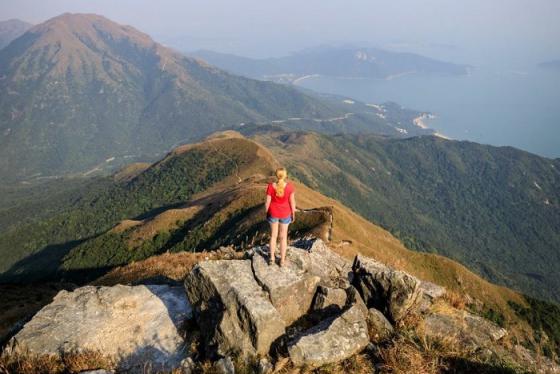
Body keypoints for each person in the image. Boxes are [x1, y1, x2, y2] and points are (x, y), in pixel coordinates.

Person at [264, 167, 296, 267]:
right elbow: (292, 202)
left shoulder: (270, 186)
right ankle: (282, 261)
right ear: (285, 176)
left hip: (273, 213)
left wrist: (267, 213)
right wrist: (293, 214)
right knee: (283, 238)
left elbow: (267, 203)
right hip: (285, 214)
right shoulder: (290, 187)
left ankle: (272, 259)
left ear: (276, 175)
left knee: (273, 236)